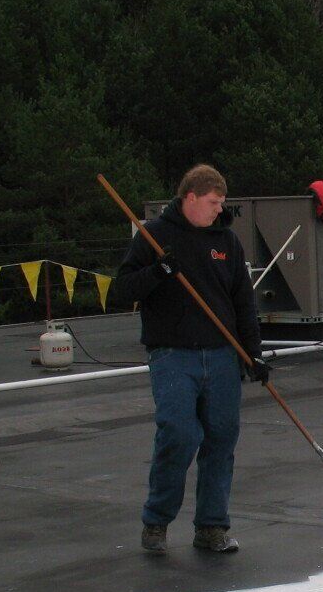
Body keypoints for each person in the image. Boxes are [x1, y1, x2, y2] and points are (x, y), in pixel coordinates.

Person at [111, 164, 271, 556]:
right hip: (172, 354)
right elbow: (121, 290)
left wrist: (252, 353)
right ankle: (157, 520)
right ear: (191, 198)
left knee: (220, 439)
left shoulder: (227, 243)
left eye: (221, 203)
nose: (219, 209)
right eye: (214, 202)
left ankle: (212, 527)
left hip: (221, 356)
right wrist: (158, 272)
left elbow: (242, 302)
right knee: (179, 433)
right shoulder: (155, 235)